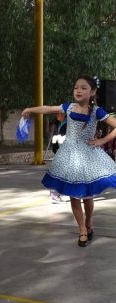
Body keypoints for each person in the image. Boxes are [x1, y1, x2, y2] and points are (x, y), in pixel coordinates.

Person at [22, 75, 116, 248]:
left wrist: (102, 141)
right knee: (74, 195)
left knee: (87, 197)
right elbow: (48, 108)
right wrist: (30, 109)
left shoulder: (97, 111)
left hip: (88, 156)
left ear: (92, 92)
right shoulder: (69, 106)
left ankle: (89, 223)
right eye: (76, 87)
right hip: (69, 156)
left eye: (83, 88)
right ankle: (81, 230)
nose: (78, 90)